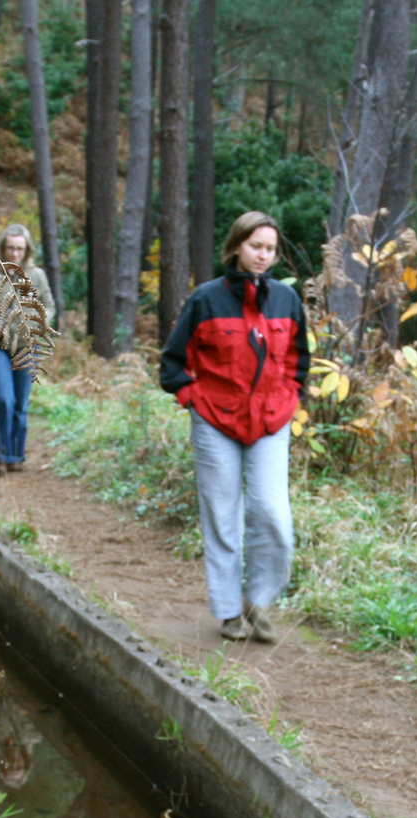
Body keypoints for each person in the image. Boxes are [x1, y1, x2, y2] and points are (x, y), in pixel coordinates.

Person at [159, 211, 310, 643]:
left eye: (270, 249)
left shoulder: (286, 299)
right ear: (237, 246)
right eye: (255, 246)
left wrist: (291, 395)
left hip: (271, 420)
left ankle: (257, 601)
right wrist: (191, 398)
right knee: (222, 517)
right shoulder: (206, 299)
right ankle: (228, 612)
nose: (262, 256)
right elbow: (173, 361)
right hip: (214, 421)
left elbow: (300, 361)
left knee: (273, 514)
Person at [0, 225, 55, 471]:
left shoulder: (36, 276)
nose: (15, 253)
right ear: (2, 247)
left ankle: (15, 457)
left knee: (20, 404)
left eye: (19, 249)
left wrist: (41, 322)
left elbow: (49, 305)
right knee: (3, 399)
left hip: (28, 347)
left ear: (26, 250)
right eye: (10, 248)